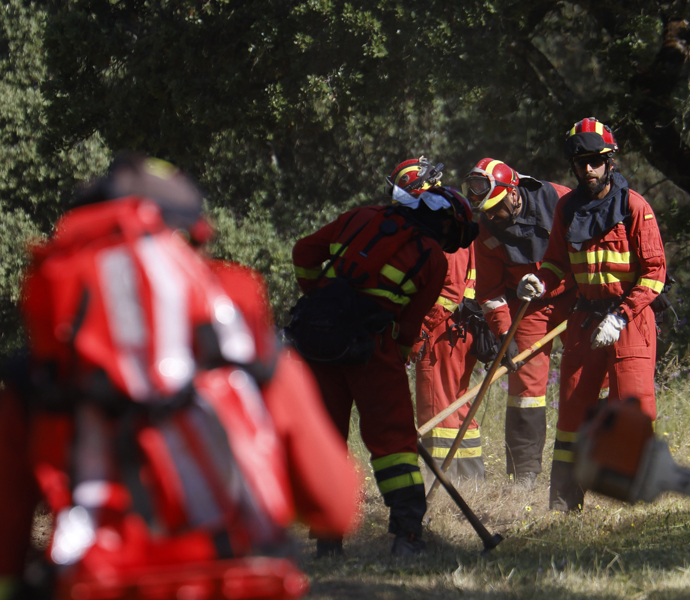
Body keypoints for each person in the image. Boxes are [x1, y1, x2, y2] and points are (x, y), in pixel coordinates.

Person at [0, 154, 362, 600]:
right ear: (196, 240)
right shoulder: (250, 354)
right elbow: (336, 508)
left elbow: (6, 540)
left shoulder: (37, 376)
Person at [290, 183, 478, 556]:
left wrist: (321, 299)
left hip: (317, 343)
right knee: (394, 444)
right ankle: (407, 535)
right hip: (373, 351)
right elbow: (408, 326)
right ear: (444, 224)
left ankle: (328, 541)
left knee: (326, 440)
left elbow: (303, 251)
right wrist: (398, 353)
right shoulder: (432, 257)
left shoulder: (364, 216)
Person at [518, 119, 666, 511]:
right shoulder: (566, 209)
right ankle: (565, 502)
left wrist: (621, 315)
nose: (587, 169)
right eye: (580, 162)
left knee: (633, 409)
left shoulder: (635, 207)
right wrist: (539, 281)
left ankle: (637, 501)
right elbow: (555, 263)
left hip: (629, 323)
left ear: (609, 161)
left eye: (595, 161)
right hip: (585, 321)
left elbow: (655, 273)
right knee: (572, 410)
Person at [462, 158, 575, 489]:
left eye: (496, 207)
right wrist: (503, 334)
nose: (492, 216)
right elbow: (490, 292)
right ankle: (524, 473)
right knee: (525, 388)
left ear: (514, 192)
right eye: (486, 211)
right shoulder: (487, 230)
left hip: (574, 295)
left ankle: (597, 461)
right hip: (527, 307)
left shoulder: (560, 200)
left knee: (589, 375)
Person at [389, 157, 486, 484]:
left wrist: (418, 330)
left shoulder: (443, 222)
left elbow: (449, 290)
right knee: (454, 408)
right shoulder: (447, 216)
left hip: (443, 332)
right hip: (451, 329)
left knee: (437, 407)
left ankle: (442, 486)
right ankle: (471, 483)